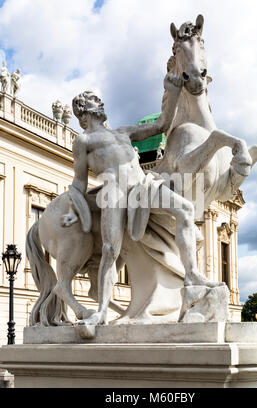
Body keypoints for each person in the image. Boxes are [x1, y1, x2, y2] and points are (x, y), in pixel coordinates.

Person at [62, 73, 223, 326]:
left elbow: (161, 124)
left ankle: (192, 276)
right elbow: (80, 180)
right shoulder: (83, 141)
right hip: (114, 194)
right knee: (110, 250)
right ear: (83, 113)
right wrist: (75, 208)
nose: (101, 103)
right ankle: (102, 311)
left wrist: (170, 91)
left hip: (143, 186)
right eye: (94, 101)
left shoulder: (123, 132)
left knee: (185, 209)